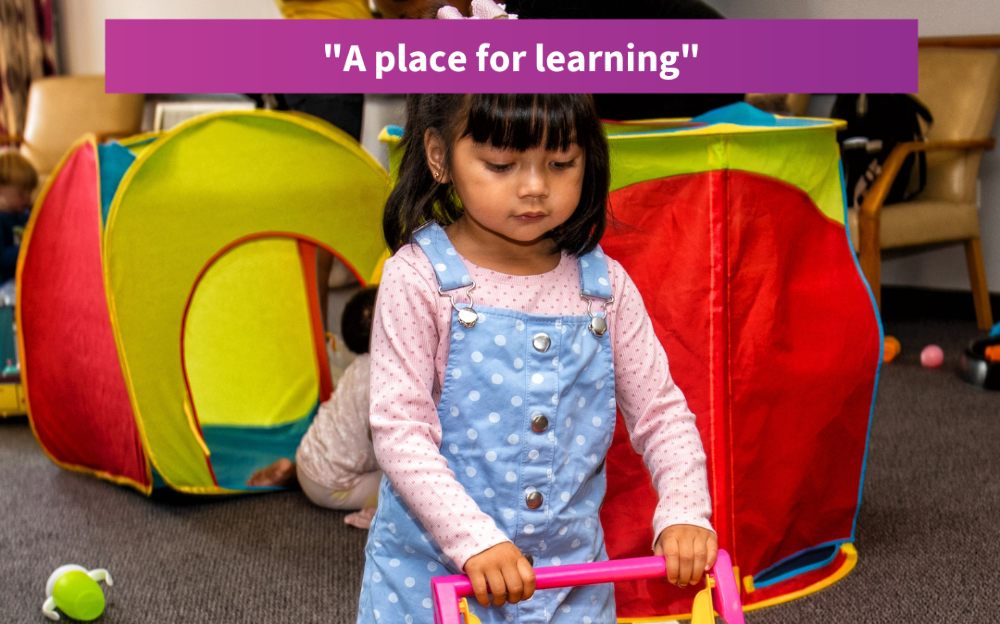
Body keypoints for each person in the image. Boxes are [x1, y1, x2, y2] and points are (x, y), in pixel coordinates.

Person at [356, 94, 716, 624]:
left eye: (561, 163)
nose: (534, 188)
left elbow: (662, 414)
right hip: (434, 574)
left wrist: (685, 509)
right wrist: (473, 540)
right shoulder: (418, 280)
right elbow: (399, 431)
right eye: (501, 165)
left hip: (568, 579)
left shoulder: (605, 288)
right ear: (438, 157)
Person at [247, 286, 381, 529]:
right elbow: (385, 443)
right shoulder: (385, 374)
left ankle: (292, 474)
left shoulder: (359, 366)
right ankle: (383, 510)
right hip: (332, 488)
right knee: (415, 486)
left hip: (308, 457)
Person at [0, 150, 36, 285]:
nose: (28, 198)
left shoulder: (24, 214)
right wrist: (30, 248)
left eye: (30, 192)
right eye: (22, 194)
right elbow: (2, 257)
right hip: (5, 283)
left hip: (24, 279)